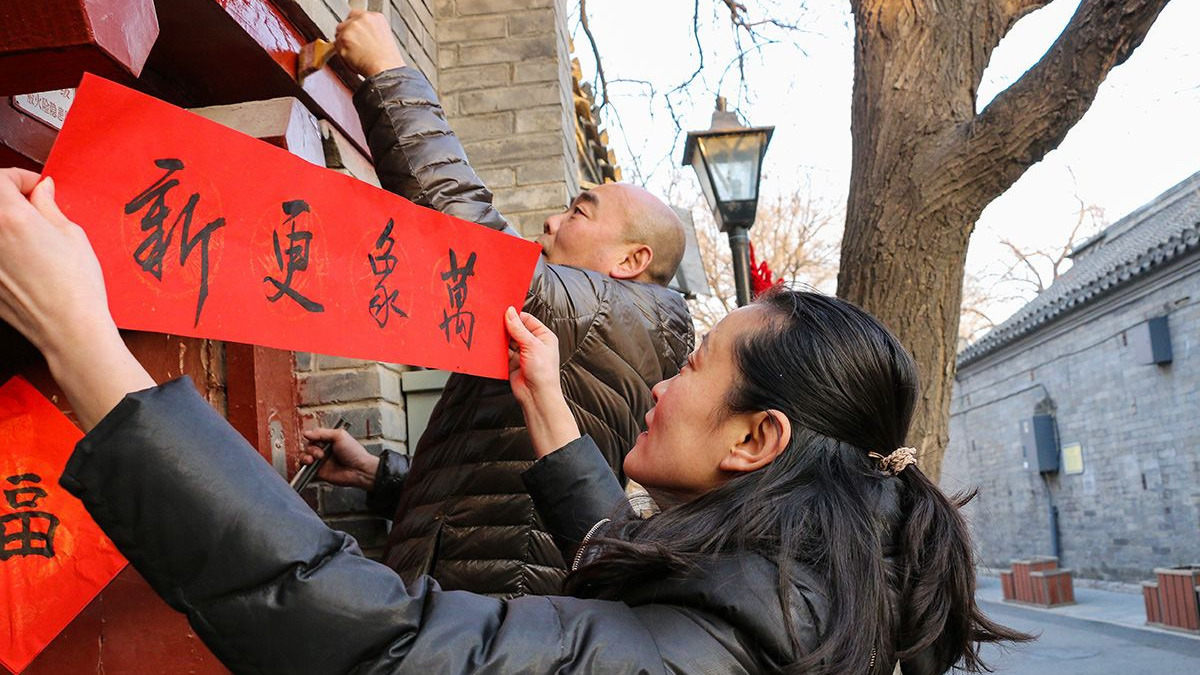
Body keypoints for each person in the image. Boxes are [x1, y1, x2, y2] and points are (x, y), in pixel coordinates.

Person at [0, 168, 1027, 674]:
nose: (663, 385)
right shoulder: (796, 598)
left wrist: (84, 344)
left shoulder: (702, 654)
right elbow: (642, 578)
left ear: (756, 440)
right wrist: (545, 411)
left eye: (695, 369)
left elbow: (378, 646)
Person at [297, 9, 694, 597]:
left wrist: (388, 71)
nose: (552, 221)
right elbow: (500, 496)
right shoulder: (588, 326)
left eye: (579, 212)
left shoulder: (608, 316)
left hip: (498, 615)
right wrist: (380, 476)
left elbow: (467, 240)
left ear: (631, 260)